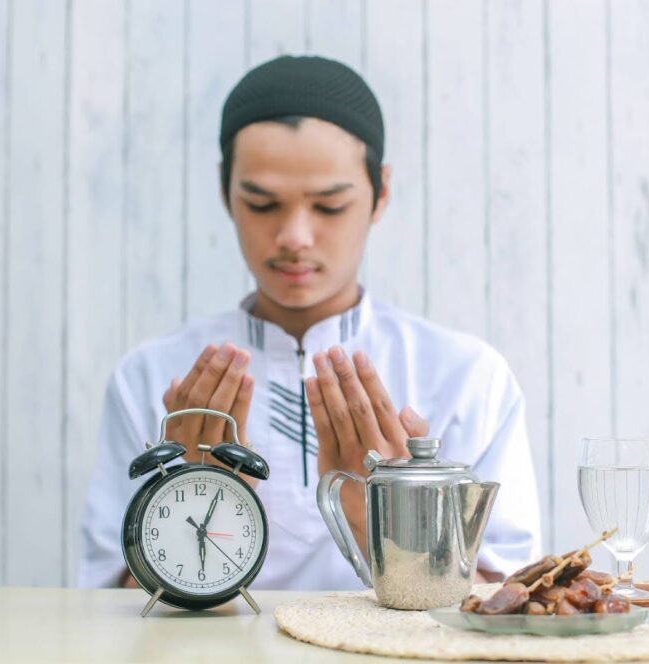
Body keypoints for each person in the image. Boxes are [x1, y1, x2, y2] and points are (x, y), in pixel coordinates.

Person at [78, 55, 541, 590]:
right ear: (225, 190)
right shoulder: (151, 378)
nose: (295, 235)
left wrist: (385, 526)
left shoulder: (468, 378)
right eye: (263, 203)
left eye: (329, 206)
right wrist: (191, 500)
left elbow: (512, 603)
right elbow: (106, 611)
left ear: (380, 193)